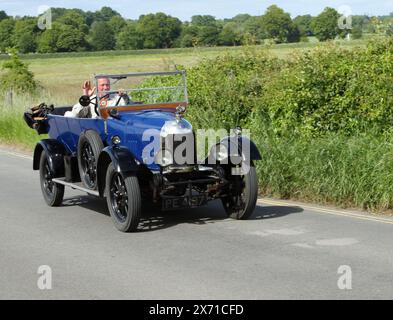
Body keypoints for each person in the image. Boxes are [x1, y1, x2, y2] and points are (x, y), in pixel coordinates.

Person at [65, 78, 130, 118]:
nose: (105, 88)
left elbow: (130, 109)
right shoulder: (90, 100)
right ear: (96, 86)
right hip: (95, 132)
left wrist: (125, 96)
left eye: (107, 85)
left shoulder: (117, 98)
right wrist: (86, 96)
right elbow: (76, 115)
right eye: (102, 85)